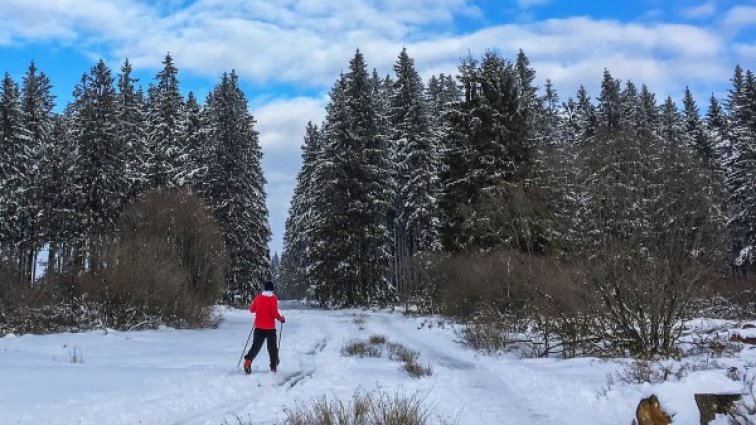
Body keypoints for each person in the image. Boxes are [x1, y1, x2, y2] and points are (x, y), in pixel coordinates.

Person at [243, 280, 285, 374]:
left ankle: (248, 360)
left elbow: (252, 310)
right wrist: (281, 319)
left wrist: (255, 305)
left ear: (264, 288)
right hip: (270, 328)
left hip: (258, 327)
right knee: (272, 348)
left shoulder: (258, 297)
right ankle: (273, 367)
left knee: (256, 346)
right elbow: (274, 313)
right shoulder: (273, 298)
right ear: (272, 289)